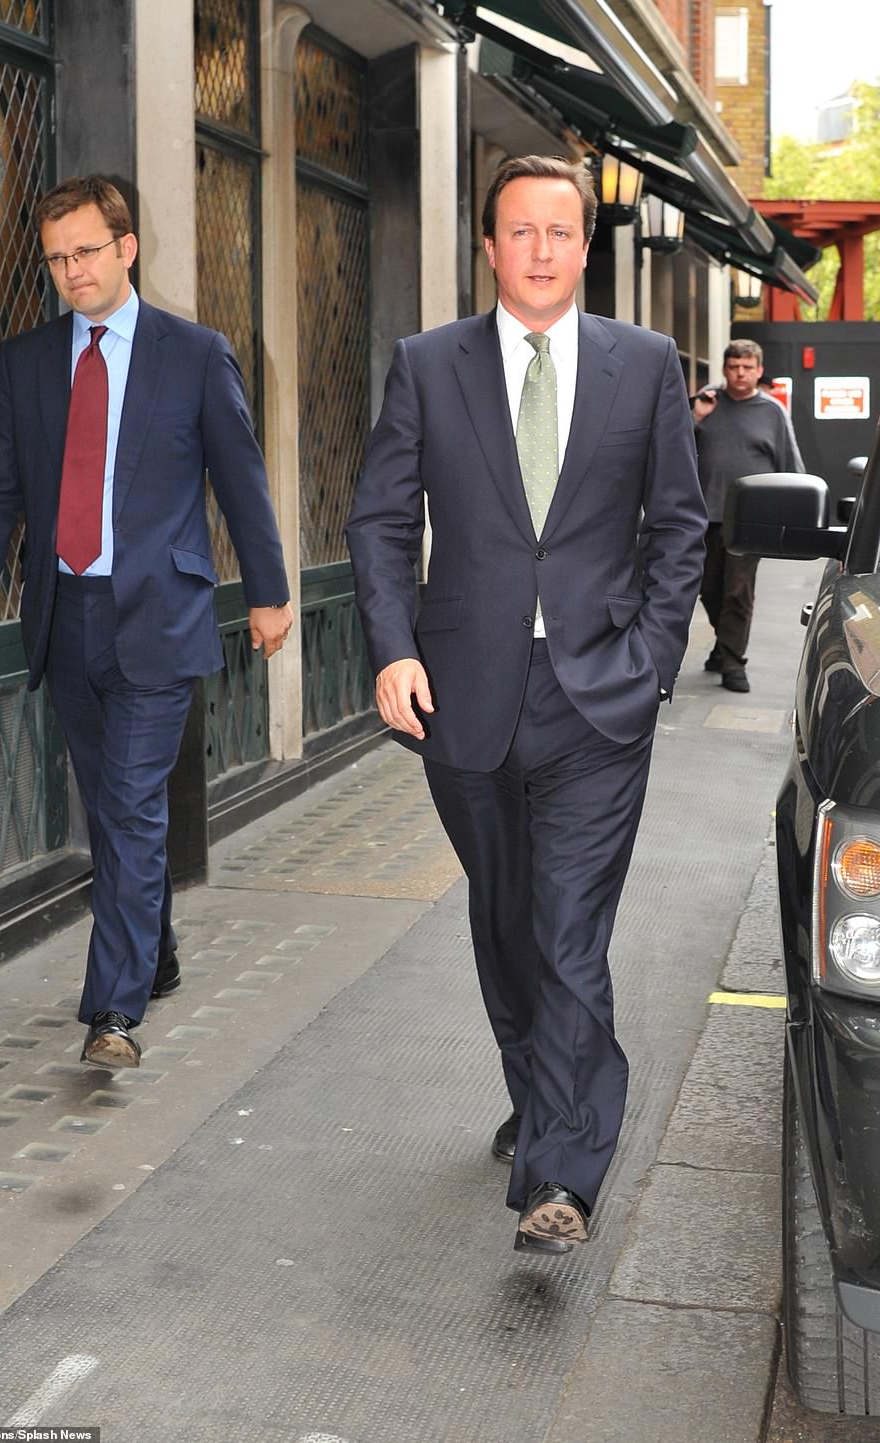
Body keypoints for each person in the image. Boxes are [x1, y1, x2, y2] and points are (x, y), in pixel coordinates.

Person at [346, 155, 706, 1257]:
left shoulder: (642, 366)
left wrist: (649, 660)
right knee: (506, 919)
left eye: (560, 232)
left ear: (581, 249)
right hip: (461, 698)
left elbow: (678, 526)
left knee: (565, 933)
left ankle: (561, 1172)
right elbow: (378, 520)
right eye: (520, 231)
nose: (541, 250)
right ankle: (539, 1095)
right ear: (489, 248)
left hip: (597, 698)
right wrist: (393, 650)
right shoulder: (425, 365)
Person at [0, 175, 292, 1070]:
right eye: (57, 258)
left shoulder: (194, 353)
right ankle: (157, 951)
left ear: (126, 248)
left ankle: (113, 1012)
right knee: (112, 810)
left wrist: (268, 591)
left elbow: (241, 482)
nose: (71, 271)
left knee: (134, 807)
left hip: (159, 616)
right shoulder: (26, 363)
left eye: (86, 252)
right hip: (66, 617)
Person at [692, 339, 804, 693]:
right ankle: (724, 646)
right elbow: (672, 447)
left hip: (749, 519)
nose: (740, 373)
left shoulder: (772, 411)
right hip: (703, 515)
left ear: (758, 370)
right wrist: (695, 417)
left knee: (737, 592)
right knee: (707, 589)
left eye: (747, 367)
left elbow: (790, 465)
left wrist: (795, 515)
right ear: (724, 369)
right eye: (733, 366)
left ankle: (732, 663)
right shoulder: (706, 403)